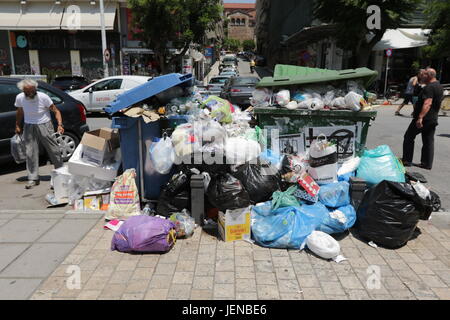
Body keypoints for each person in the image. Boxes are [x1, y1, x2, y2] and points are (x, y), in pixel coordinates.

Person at [15, 79, 64, 189]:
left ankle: (60, 174)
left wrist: (60, 124)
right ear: (23, 90)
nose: (31, 93)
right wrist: (18, 125)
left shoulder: (43, 97)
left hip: (45, 125)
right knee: (30, 152)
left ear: (35, 88)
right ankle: (33, 178)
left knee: (54, 150)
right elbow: (19, 112)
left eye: (33, 90)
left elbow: (56, 111)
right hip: (28, 126)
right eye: (28, 91)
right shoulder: (20, 98)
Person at [402, 68, 444, 170]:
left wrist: (420, 117)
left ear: (429, 76)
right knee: (428, 140)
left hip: (424, 119)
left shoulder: (429, 87)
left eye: (424, 75)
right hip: (432, 118)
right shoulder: (439, 86)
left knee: (408, 136)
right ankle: (426, 163)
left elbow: (428, 103)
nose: (421, 76)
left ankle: (407, 160)